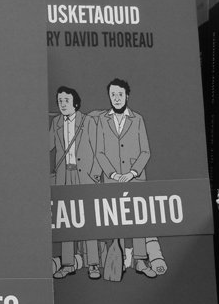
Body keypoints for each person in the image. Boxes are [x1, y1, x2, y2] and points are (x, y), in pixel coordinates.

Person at [95, 78, 156, 277]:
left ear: (127, 96)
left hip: (135, 179)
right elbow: (99, 152)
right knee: (115, 220)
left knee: (137, 220)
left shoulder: (137, 119)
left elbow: (145, 151)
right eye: (113, 94)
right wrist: (113, 174)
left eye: (120, 94)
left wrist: (131, 173)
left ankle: (140, 260)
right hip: (111, 179)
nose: (116, 98)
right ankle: (118, 260)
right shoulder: (102, 120)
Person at [50, 86, 101, 279]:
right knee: (65, 220)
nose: (62, 104)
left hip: (85, 177)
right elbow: (47, 145)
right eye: (60, 101)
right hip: (64, 176)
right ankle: (68, 264)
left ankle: (93, 264)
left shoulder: (87, 121)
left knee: (88, 220)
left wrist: (95, 174)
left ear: (75, 103)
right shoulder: (56, 122)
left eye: (66, 100)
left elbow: (98, 149)